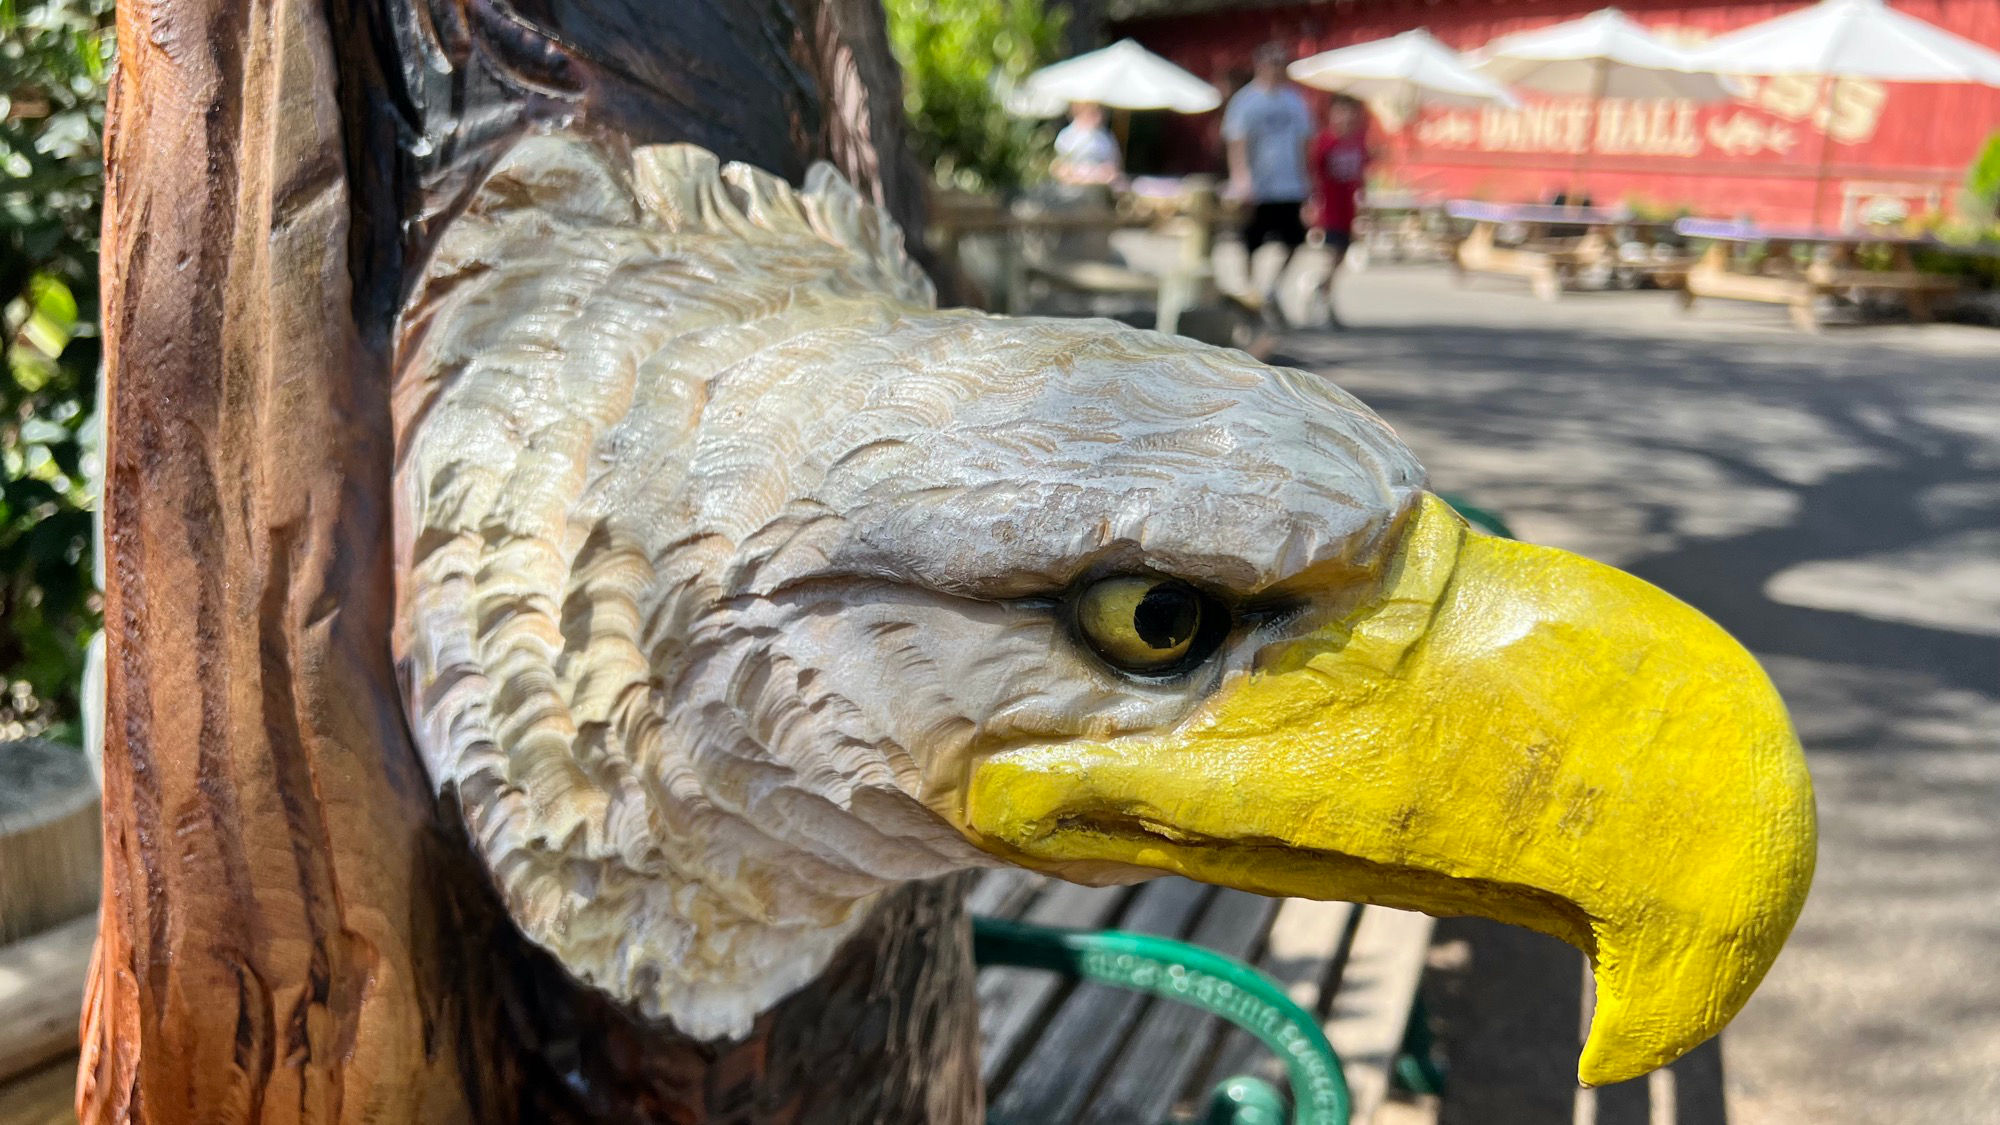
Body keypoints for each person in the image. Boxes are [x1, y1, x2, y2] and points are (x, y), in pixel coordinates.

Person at [1223, 44, 1314, 324]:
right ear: (1259, 65)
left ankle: (1272, 287)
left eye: (1280, 63)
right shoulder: (1246, 101)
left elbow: (1303, 143)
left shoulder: (1294, 101)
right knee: (1251, 242)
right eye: (1271, 63)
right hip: (1258, 185)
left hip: (1289, 184)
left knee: (1295, 240)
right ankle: (1251, 294)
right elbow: (1236, 143)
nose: (1275, 69)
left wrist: (1307, 181)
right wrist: (1241, 179)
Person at [1308, 95, 1375, 328]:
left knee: (1340, 257)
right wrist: (1310, 205)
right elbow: (1312, 176)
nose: (1346, 118)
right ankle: (1319, 295)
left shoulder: (1357, 143)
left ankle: (1321, 292)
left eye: (1350, 112)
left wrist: (1363, 209)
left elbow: (1360, 178)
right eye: (1341, 112)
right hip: (1328, 210)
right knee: (1331, 255)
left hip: (1348, 211)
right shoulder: (1324, 142)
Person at [1052, 102, 1122, 186]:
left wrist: (1104, 173)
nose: (1098, 115)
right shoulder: (1066, 136)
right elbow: (1059, 166)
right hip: (1073, 187)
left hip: (1100, 186)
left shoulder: (1106, 137)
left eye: (1098, 111)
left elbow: (1115, 166)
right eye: (1091, 111)